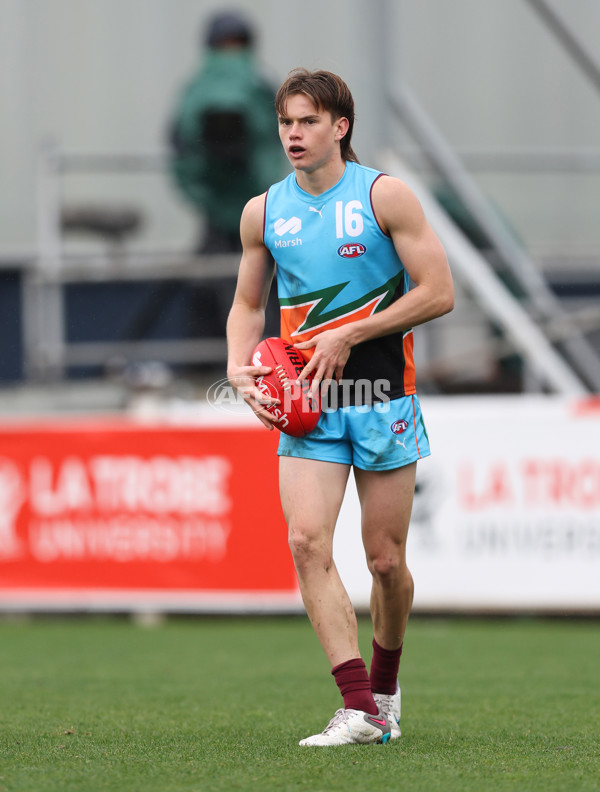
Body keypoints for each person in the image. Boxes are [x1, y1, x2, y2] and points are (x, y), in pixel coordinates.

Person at [226, 68, 454, 746]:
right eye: (286, 122)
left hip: (384, 397)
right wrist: (239, 372)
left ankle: (385, 685)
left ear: (339, 127)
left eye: (308, 122)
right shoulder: (263, 211)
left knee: (385, 561)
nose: (293, 134)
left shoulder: (385, 196)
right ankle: (359, 708)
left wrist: (352, 331)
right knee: (305, 542)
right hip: (310, 408)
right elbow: (244, 305)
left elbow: (439, 292)